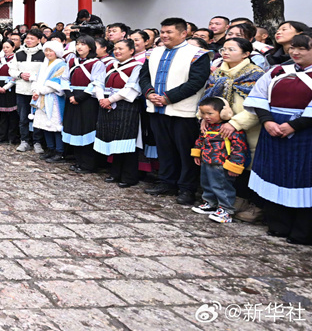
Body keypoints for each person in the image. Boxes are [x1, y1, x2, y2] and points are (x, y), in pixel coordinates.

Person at [243, 33, 312, 244]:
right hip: (272, 128)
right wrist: (266, 121)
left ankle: (303, 232)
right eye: (293, 47)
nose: (295, 52)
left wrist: (294, 125)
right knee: (274, 174)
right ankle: (278, 225)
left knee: (302, 177)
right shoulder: (278, 70)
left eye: (303, 48)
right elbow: (258, 96)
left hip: (305, 132)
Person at [140, 17, 211, 205]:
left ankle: (187, 189)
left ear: (183, 33)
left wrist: (168, 97)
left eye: (169, 32)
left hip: (183, 111)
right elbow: (144, 77)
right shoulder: (153, 53)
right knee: (164, 148)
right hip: (156, 108)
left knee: (186, 152)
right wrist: (149, 93)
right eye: (162, 32)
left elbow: (197, 82)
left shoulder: (197, 54)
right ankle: (166, 182)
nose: (164, 35)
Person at [201, 37, 264, 221]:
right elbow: (207, 99)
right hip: (218, 130)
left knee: (246, 165)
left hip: (246, 128)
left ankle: (253, 204)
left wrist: (234, 123)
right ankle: (231, 201)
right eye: (224, 49)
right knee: (223, 167)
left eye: (232, 49)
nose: (225, 52)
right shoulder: (218, 74)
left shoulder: (256, 74)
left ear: (246, 54)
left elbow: (258, 106)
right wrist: (203, 118)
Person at [93, 39, 143, 188]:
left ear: (131, 50)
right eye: (115, 48)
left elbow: (132, 88)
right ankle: (115, 173)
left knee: (126, 141)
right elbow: (99, 83)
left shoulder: (137, 67)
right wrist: (102, 98)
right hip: (107, 105)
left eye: (121, 48)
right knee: (112, 139)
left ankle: (129, 177)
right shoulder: (111, 66)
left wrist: (111, 100)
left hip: (126, 107)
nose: (117, 51)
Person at [191, 97, 249, 223]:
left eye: (210, 113)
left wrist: (235, 165)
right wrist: (197, 153)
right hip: (206, 161)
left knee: (222, 187)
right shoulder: (207, 127)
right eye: (203, 113)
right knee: (206, 183)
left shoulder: (230, 129)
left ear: (223, 113)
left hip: (222, 164)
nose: (206, 117)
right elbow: (200, 141)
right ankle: (210, 203)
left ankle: (226, 210)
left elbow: (239, 148)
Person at [61, 35, 106, 173]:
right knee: (74, 128)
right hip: (72, 98)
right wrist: (69, 95)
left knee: (86, 129)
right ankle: (78, 161)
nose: (79, 47)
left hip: (87, 101)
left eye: (84, 44)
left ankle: (89, 164)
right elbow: (64, 79)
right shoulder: (72, 62)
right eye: (78, 44)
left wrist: (80, 97)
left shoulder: (97, 63)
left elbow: (96, 83)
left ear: (91, 47)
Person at [9, 30, 45, 153]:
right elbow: (12, 70)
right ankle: (24, 141)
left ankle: (37, 142)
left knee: (38, 117)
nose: (29, 40)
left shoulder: (44, 54)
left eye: (32, 38)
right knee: (23, 117)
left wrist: (33, 76)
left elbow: (45, 72)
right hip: (21, 89)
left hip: (36, 91)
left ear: (39, 40)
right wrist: (20, 74)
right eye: (27, 38)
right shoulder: (18, 53)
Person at [31, 40, 67, 163]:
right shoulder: (44, 64)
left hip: (53, 98)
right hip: (41, 97)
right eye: (46, 50)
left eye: (50, 50)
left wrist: (40, 91)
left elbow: (56, 83)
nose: (48, 53)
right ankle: (50, 149)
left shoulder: (61, 64)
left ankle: (59, 151)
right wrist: (35, 89)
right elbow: (36, 78)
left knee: (55, 125)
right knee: (44, 124)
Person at [0, 39, 19, 144]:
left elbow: (15, 76)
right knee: (2, 115)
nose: (5, 49)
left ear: (13, 48)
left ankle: (12, 137)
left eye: (8, 47)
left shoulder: (16, 59)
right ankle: (2, 136)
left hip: (11, 88)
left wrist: (6, 87)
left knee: (12, 115)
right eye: (4, 47)